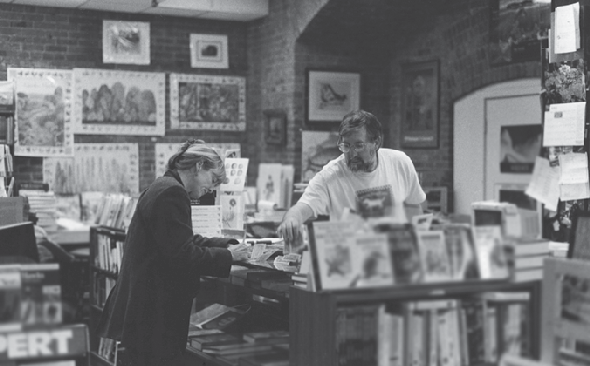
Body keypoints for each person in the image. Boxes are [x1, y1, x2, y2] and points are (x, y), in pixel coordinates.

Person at [97, 139, 248, 366]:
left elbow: (180, 239)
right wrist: (229, 257)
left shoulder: (164, 185)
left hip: (146, 308)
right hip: (155, 312)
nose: (213, 188)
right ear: (199, 166)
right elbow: (182, 254)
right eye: (214, 179)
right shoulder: (172, 193)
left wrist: (225, 244)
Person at [278, 109, 426, 245]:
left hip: (395, 258)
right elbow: (302, 208)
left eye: (359, 146)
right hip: (349, 261)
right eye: (346, 146)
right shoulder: (331, 175)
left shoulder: (400, 163)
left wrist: (416, 240)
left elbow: (415, 205)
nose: (352, 154)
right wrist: (292, 220)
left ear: (376, 143)